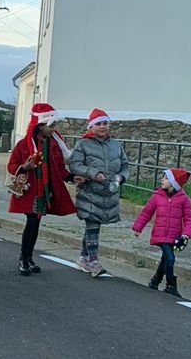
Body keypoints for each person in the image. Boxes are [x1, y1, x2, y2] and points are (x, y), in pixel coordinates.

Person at [7, 103, 76, 276]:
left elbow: (59, 167)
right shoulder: (24, 145)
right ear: (40, 125)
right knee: (31, 221)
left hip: (45, 189)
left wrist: (71, 177)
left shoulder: (53, 145)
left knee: (36, 223)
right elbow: (12, 165)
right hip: (30, 190)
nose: (54, 129)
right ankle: (23, 258)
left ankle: (29, 257)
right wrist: (25, 167)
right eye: (51, 125)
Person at [69, 108, 130, 277]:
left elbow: (125, 166)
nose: (102, 126)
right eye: (98, 124)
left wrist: (121, 177)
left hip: (108, 193)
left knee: (94, 226)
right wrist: (93, 173)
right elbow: (75, 165)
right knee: (93, 225)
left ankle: (83, 257)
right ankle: (94, 262)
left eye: (105, 123)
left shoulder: (116, 145)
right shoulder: (83, 144)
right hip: (89, 192)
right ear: (90, 127)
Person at [132, 168, 191, 298]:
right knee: (170, 258)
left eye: (166, 178)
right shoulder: (157, 196)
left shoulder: (184, 199)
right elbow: (147, 212)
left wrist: (186, 234)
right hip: (160, 234)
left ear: (174, 182)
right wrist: (138, 228)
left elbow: (190, 218)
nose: (162, 180)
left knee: (165, 259)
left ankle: (155, 280)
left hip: (174, 235)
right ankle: (171, 285)